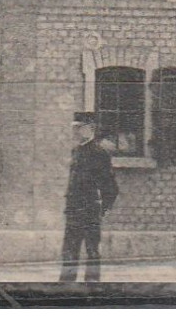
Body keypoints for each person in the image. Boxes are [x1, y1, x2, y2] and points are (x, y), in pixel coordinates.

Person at [59, 110, 119, 284]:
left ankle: (92, 288)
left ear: (90, 128)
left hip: (90, 210)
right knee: (69, 251)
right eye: (74, 128)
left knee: (92, 251)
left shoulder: (99, 153)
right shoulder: (76, 151)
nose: (76, 132)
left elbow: (110, 186)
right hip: (73, 210)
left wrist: (104, 207)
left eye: (79, 128)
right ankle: (65, 287)